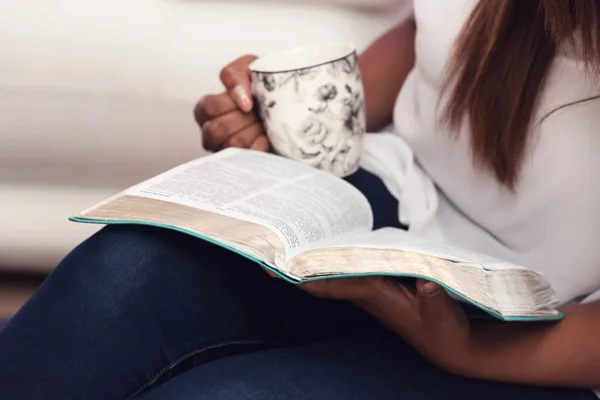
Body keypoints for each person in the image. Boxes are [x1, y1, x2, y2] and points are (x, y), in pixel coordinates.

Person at [1, 0, 599, 398]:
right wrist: (308, 112)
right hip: (399, 196)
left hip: (543, 323)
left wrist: (471, 350)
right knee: (116, 276)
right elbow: (432, 29)